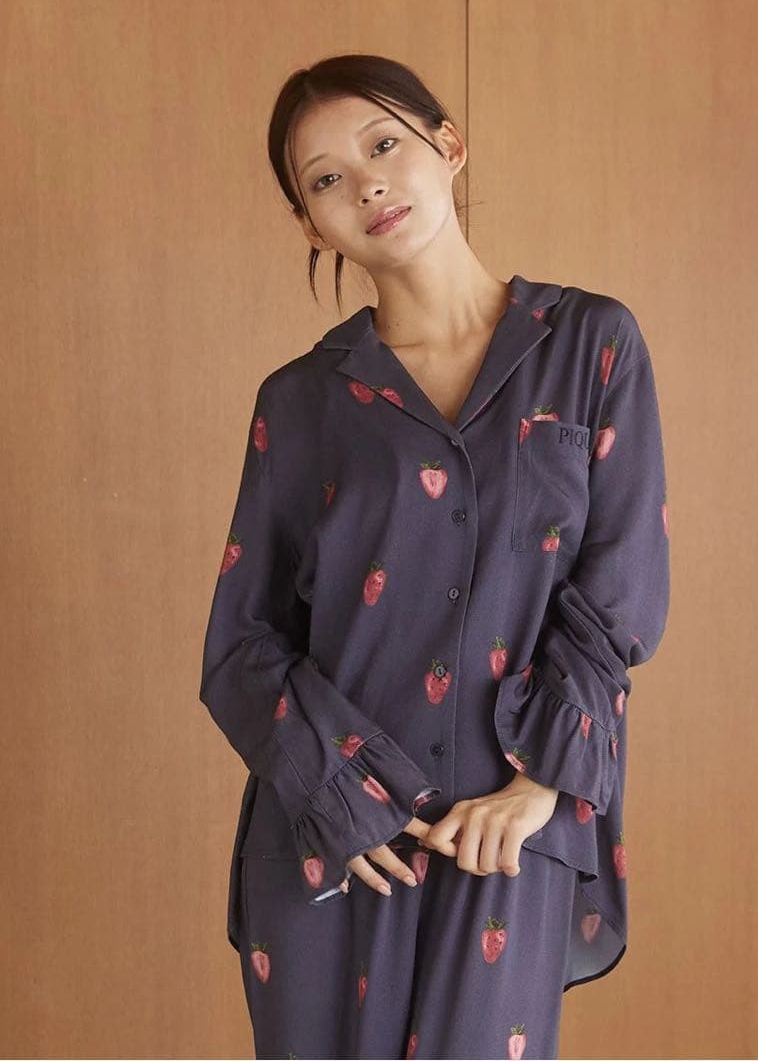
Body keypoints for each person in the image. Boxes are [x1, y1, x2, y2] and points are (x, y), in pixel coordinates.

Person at [198, 53, 670, 1061]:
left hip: (509, 829)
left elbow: (619, 593)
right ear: (310, 222)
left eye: (384, 146)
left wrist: (542, 785)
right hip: (335, 843)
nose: (366, 184)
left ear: (447, 146)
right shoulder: (302, 401)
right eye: (327, 178)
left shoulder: (590, 344)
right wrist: (339, 793)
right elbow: (242, 645)